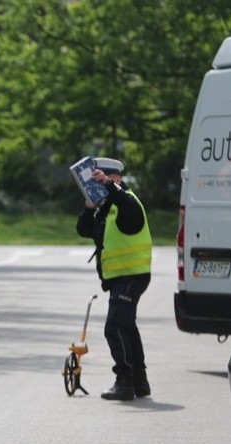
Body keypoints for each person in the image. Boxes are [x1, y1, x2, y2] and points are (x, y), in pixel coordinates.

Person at [76, 157, 152, 401]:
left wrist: (109, 186)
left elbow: (127, 205)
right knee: (127, 326)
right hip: (120, 277)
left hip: (132, 275)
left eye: (100, 179)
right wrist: (89, 208)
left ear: (115, 179)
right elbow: (84, 230)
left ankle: (124, 382)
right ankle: (140, 382)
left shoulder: (127, 201)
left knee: (115, 326)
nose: (97, 186)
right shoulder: (107, 207)